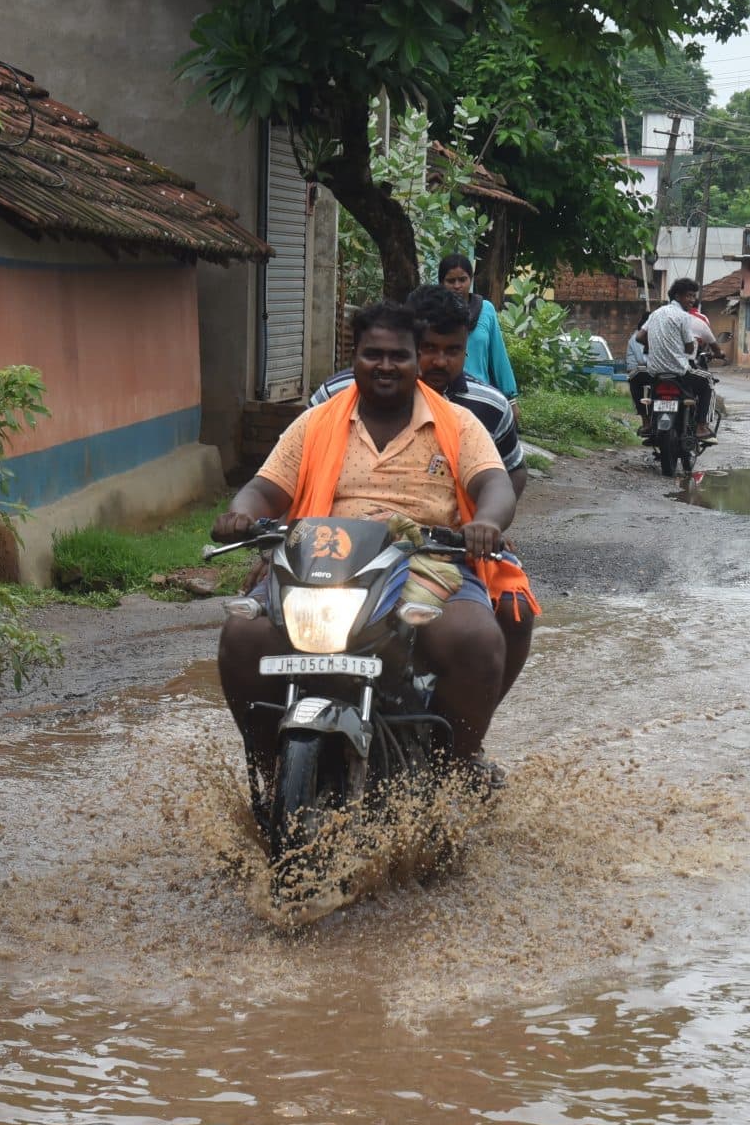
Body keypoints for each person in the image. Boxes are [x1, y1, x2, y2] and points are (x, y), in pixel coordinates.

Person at [213, 301, 530, 782]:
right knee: (243, 635)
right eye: (372, 354)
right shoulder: (314, 422)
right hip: (320, 558)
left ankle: (456, 769)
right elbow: (264, 489)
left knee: (477, 639)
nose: (385, 365)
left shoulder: (457, 423)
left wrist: (485, 522)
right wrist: (241, 513)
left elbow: (496, 484)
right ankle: (265, 763)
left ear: (416, 360)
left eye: (398, 356)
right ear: (354, 357)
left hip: (424, 559)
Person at [305, 284, 539, 698]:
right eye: (428, 347)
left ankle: (469, 727)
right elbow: (299, 469)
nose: (439, 360)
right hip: (342, 542)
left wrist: (484, 522)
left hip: (452, 539)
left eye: (453, 350)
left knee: (512, 611)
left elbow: (510, 474)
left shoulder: (485, 407)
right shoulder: (336, 397)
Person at [631, 276, 719, 433]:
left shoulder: (656, 313)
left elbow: (639, 337)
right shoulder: (684, 316)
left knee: (634, 376)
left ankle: (645, 422)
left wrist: (654, 347)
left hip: (655, 372)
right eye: (689, 295)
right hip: (679, 372)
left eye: (693, 296)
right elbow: (690, 348)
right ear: (677, 296)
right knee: (708, 381)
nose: (692, 300)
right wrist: (680, 349)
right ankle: (701, 426)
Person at [438, 254, 518, 398]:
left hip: (481, 397)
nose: (457, 286)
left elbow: (498, 356)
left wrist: (511, 398)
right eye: (451, 281)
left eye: (462, 280)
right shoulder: (434, 312)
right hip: (444, 396)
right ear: (441, 283)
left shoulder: (486, 309)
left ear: (471, 279)